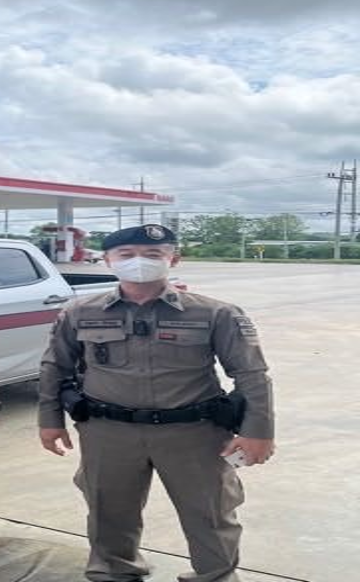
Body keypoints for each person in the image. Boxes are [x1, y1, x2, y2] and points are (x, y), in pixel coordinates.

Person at [37, 224, 274, 582]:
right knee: (107, 508)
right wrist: (50, 420)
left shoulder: (215, 313)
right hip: (108, 431)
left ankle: (216, 575)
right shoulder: (79, 311)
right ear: (108, 260)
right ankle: (114, 570)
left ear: (173, 259)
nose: (139, 261)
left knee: (210, 511)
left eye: (153, 254)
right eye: (126, 254)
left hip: (194, 433)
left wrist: (258, 432)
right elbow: (55, 367)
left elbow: (251, 374)